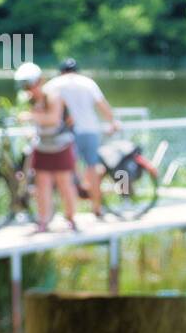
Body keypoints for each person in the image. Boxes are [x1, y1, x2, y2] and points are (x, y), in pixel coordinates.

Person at [44, 58, 119, 218]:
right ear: (77, 70)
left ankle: (70, 212)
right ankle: (97, 207)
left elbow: (45, 106)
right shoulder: (88, 83)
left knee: (66, 173)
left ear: (61, 71)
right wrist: (112, 121)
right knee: (92, 169)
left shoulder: (54, 84)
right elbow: (102, 105)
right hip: (91, 130)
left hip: (68, 133)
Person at [15, 62, 79, 232]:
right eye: (24, 85)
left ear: (40, 81)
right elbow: (39, 123)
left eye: (30, 84)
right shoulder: (31, 100)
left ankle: (71, 218)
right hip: (42, 146)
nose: (28, 88)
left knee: (64, 183)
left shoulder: (53, 95)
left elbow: (53, 119)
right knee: (41, 185)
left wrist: (31, 116)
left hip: (60, 146)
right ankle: (43, 221)